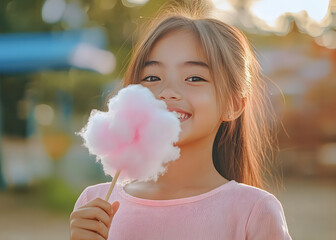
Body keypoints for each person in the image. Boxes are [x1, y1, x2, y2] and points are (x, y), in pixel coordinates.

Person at [70, 2, 292, 239]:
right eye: (152, 77)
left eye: (194, 78)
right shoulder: (95, 205)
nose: (167, 91)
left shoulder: (254, 211)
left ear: (233, 104)